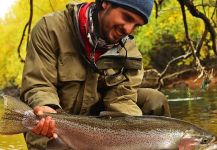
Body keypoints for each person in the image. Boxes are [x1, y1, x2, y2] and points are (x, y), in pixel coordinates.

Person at [20, 0, 171, 149]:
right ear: (105, 3)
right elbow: (39, 84)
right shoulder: (50, 29)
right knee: (39, 121)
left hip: (99, 126)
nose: (129, 29)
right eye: (127, 17)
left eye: (136, 25)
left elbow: (122, 100)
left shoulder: (129, 52)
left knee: (154, 99)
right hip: (57, 120)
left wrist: (134, 139)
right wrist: (47, 108)